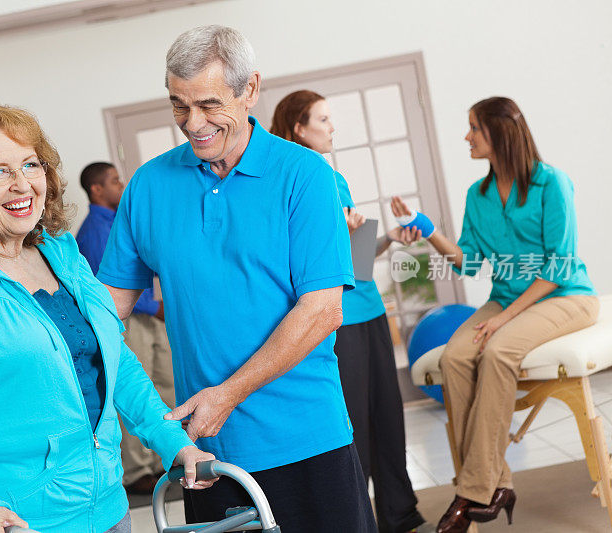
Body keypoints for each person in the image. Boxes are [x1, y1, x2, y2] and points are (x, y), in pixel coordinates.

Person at [97, 25, 378, 532]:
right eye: (179, 106)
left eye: (208, 104)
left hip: (308, 438)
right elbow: (106, 313)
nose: (193, 123)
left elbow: (322, 310)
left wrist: (227, 394)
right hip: (208, 455)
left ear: (250, 89)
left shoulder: (305, 175)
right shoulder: (149, 186)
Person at [0, 105, 214, 533]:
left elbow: (117, 362)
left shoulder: (59, 249)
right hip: (18, 521)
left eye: (30, 164)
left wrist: (174, 442)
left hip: (109, 508)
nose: (22, 183)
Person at [391, 97, 598, 533]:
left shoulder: (552, 184)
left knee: (498, 350)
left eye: (473, 128)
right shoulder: (478, 195)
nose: (466, 136)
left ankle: (471, 492)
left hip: (564, 295)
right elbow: (467, 262)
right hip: (506, 297)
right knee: (455, 357)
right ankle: (496, 483)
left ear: (499, 133)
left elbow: (558, 267)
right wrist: (426, 228)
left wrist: (504, 319)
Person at [270, 89, 433, 533]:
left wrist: (390, 238)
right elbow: (289, 262)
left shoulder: (334, 178)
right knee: (354, 425)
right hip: (334, 321)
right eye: (322, 120)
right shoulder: (285, 181)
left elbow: (355, 262)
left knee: (388, 418)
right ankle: (354, 518)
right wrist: (332, 234)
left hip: (369, 310)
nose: (331, 128)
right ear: (298, 127)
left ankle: (400, 515)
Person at [76, 161, 175, 494]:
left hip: (149, 316)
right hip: (128, 320)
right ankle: (137, 472)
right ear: (97, 190)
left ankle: (166, 454)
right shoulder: (94, 231)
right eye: (115, 181)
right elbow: (107, 287)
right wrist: (155, 306)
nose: (122, 185)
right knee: (132, 390)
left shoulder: (118, 221)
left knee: (162, 385)